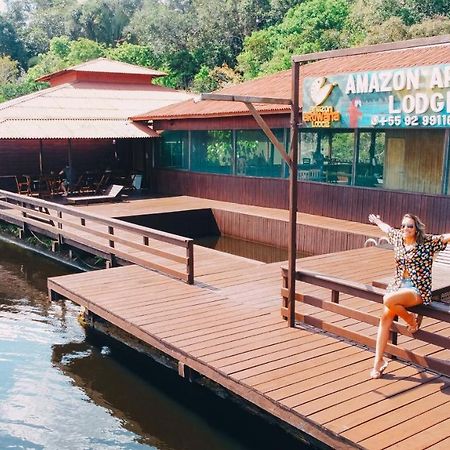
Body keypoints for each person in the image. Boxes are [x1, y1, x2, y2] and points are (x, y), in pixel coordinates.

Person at [368, 213, 450, 379]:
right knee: (385, 318)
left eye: (410, 226)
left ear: (416, 228)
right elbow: (387, 228)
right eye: (403, 225)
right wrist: (376, 220)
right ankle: (378, 361)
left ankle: (411, 320)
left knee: (388, 300)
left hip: (417, 289)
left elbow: (445, 237)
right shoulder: (398, 238)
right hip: (398, 286)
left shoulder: (426, 242)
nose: (406, 228)